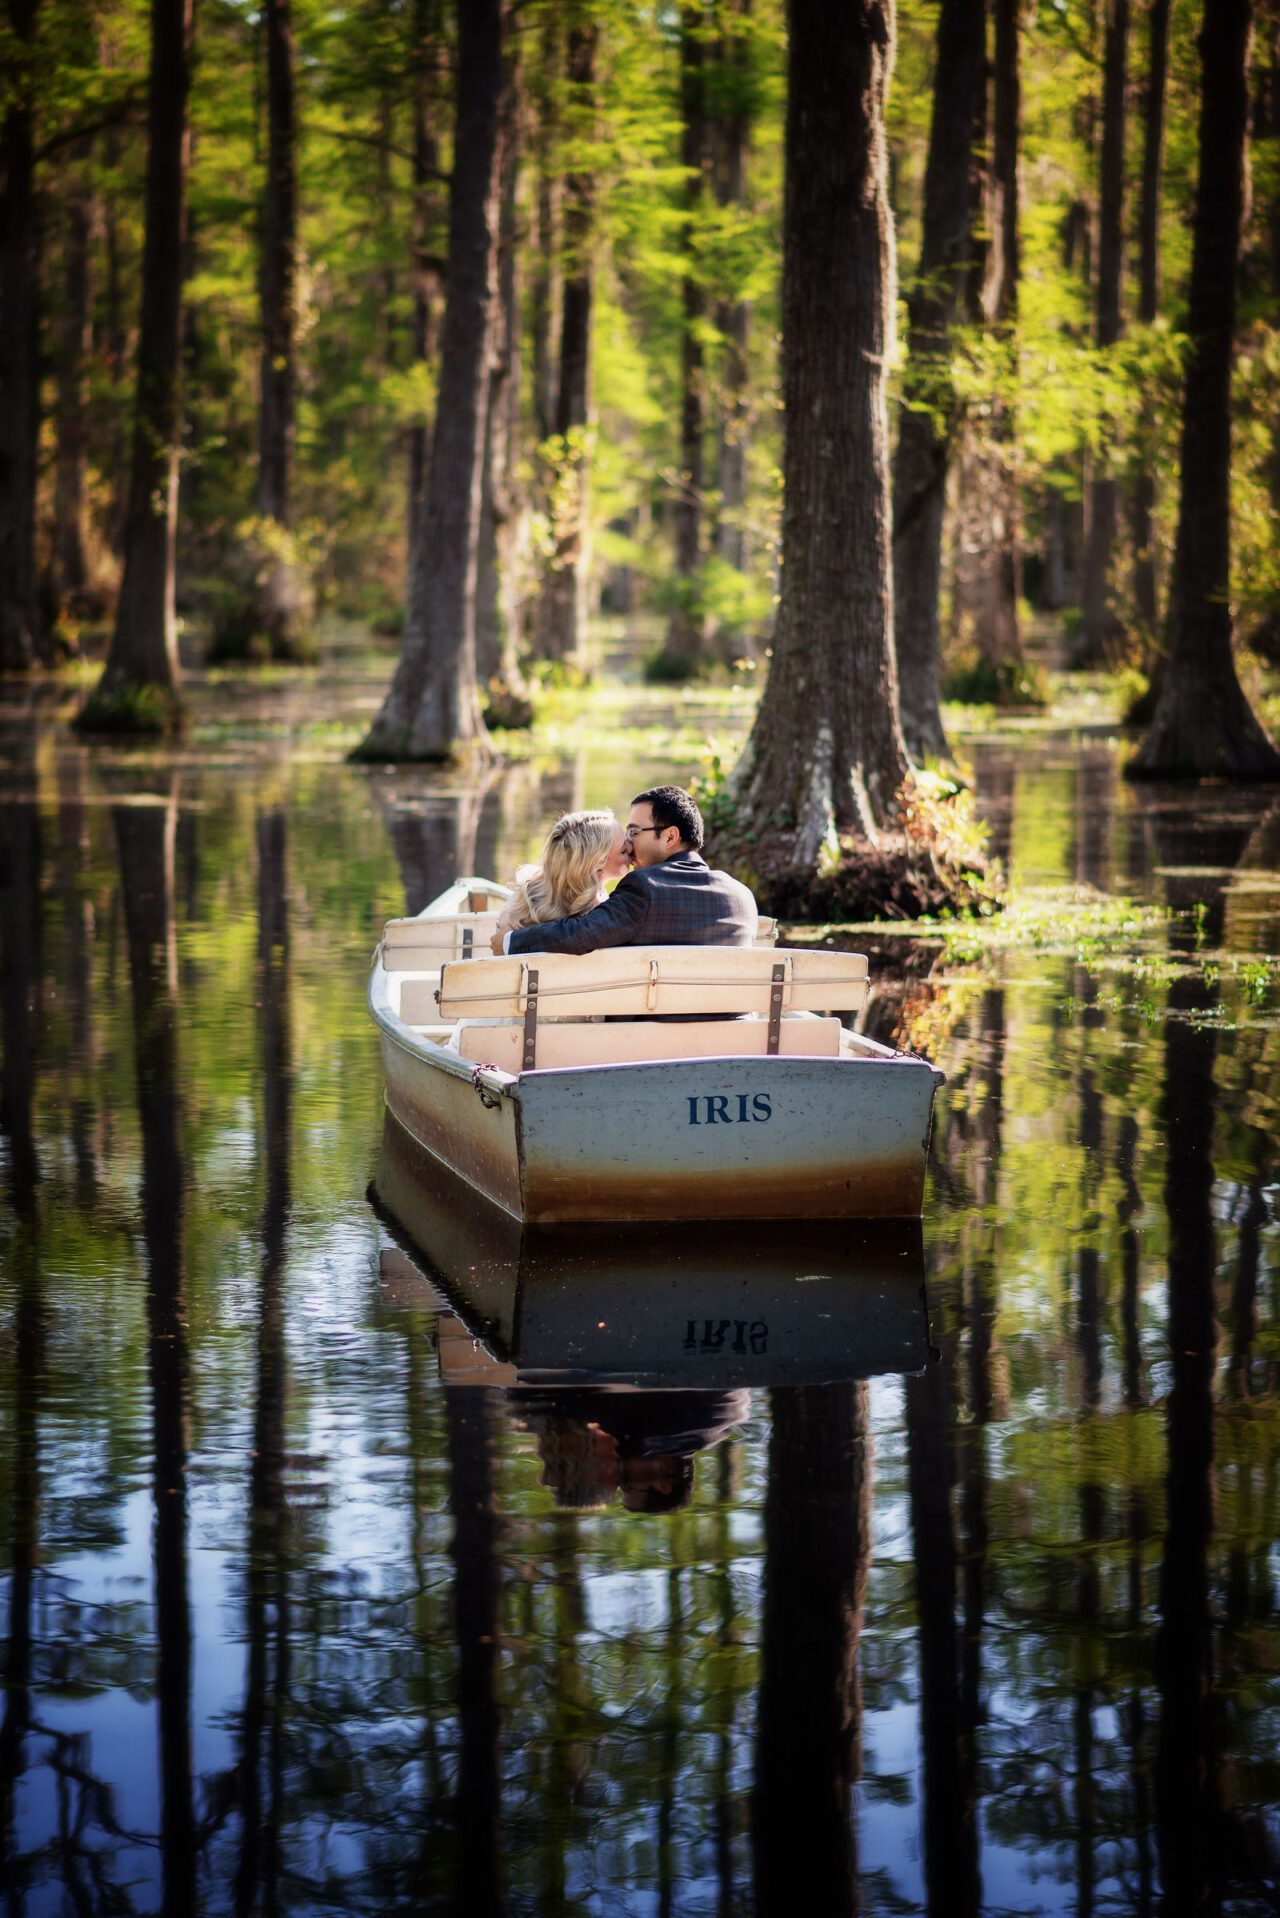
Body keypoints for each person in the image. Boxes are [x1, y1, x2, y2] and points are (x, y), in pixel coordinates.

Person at [492, 784, 757, 955]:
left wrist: (510, 942)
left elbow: (578, 934)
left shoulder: (644, 889)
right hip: (734, 1034)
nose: (629, 843)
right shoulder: (742, 896)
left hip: (645, 1035)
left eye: (634, 832)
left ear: (669, 837)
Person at [495, 809, 630, 936]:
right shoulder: (599, 916)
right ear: (597, 864)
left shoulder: (529, 896)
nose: (631, 849)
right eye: (623, 850)